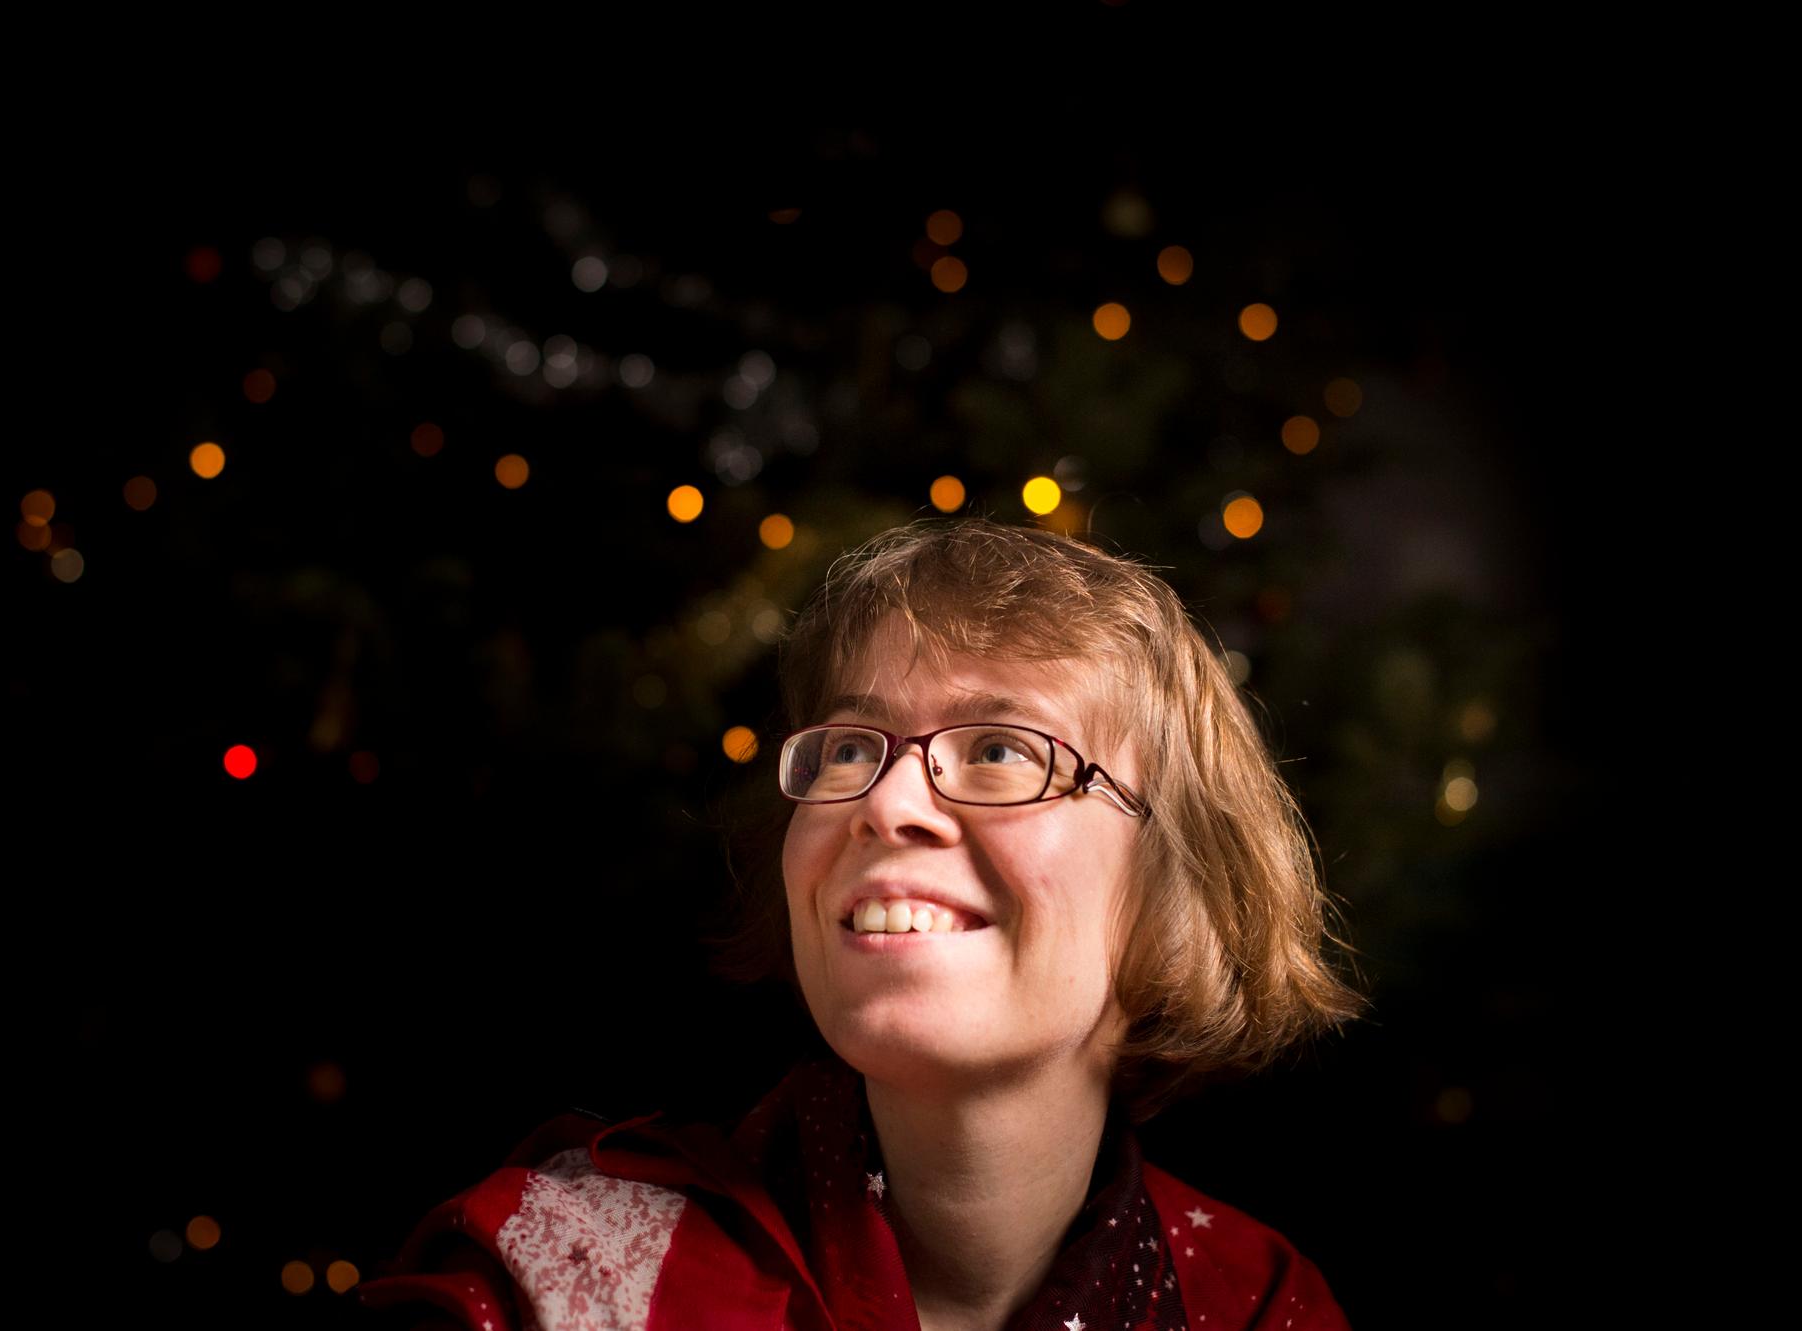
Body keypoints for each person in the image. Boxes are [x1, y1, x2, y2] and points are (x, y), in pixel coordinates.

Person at [357, 518, 1365, 1330]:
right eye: (847, 748)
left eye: (1003, 751)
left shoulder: (1262, 1305)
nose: (882, 802)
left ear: (1171, 879)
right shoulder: (552, 1283)